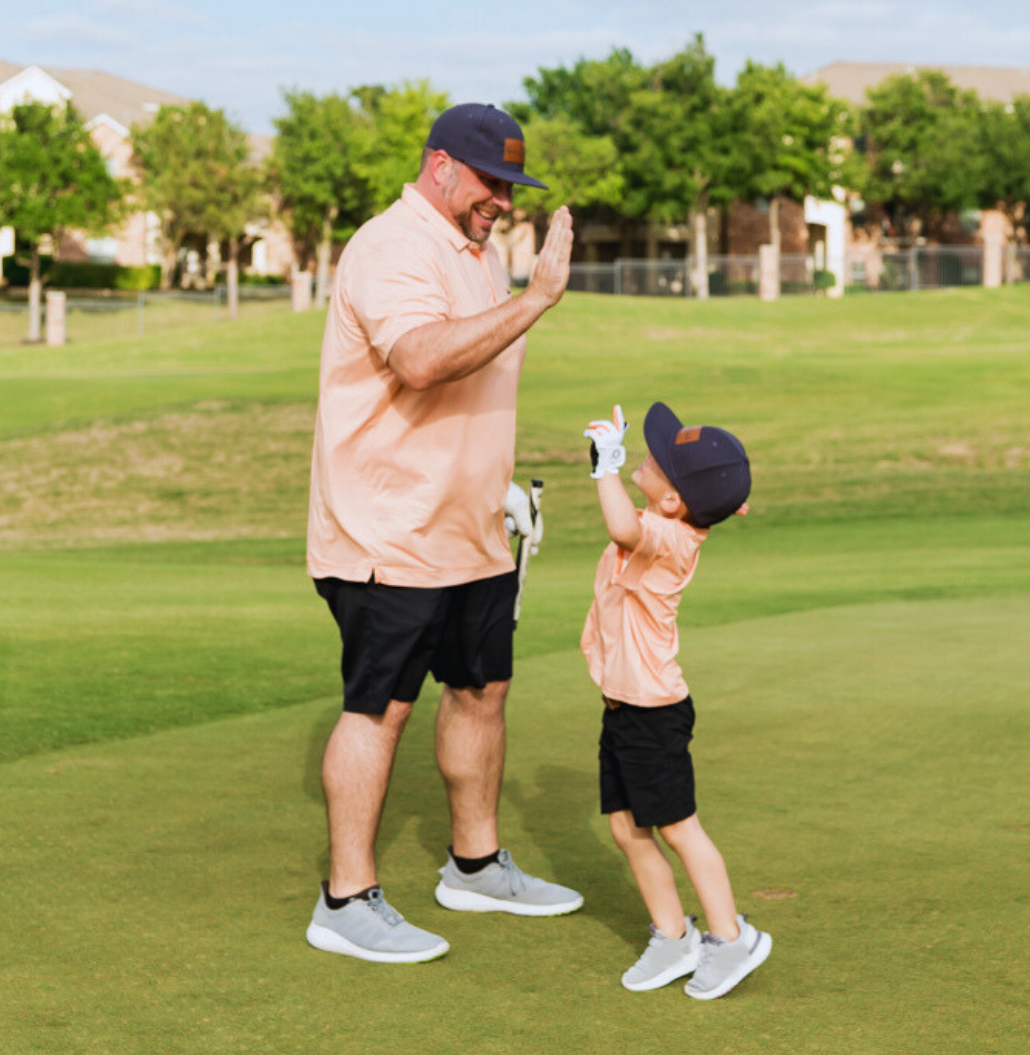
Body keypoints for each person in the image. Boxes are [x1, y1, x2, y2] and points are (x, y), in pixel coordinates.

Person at [305, 103, 582, 965]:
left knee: (480, 691)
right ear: (439, 167)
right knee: (379, 708)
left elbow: (474, 381)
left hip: (469, 529)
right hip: (387, 530)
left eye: (511, 186)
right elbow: (422, 360)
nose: (502, 200)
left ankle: (474, 865)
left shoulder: (480, 253)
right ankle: (344, 899)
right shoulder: (391, 246)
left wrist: (497, 486)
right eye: (490, 183)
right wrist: (538, 299)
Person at [580, 402, 772, 998]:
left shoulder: (667, 538)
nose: (650, 453)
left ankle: (731, 938)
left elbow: (623, 529)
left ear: (672, 502)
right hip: (623, 707)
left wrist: (605, 469)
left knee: (679, 828)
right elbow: (629, 523)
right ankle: (673, 936)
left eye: (658, 459)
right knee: (625, 825)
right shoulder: (664, 521)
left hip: (653, 713)